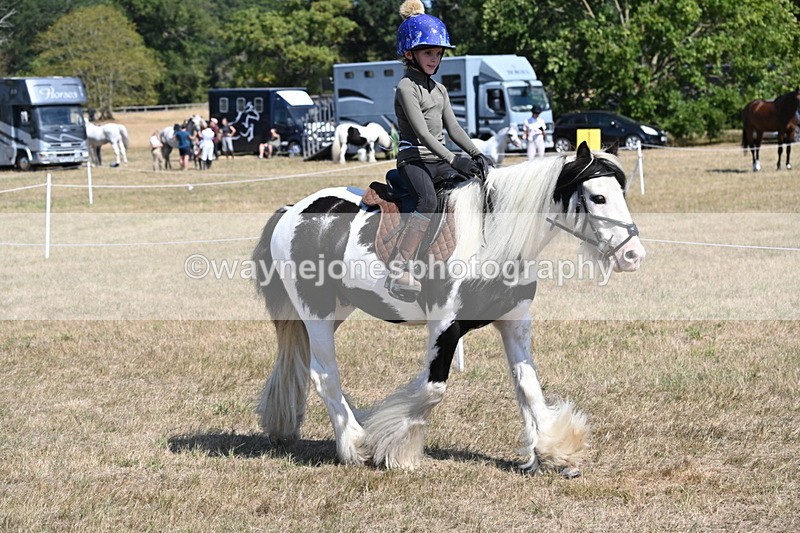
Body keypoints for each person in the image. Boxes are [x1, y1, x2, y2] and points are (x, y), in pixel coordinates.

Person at [388, 0, 493, 302]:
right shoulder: (406, 87)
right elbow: (422, 133)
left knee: (473, 189)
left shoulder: (440, 89)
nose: (434, 59)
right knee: (429, 200)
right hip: (414, 159)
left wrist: (475, 154)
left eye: (438, 53)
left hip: (439, 160)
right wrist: (453, 159)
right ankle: (400, 265)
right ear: (410, 53)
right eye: (428, 53)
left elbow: (454, 128)